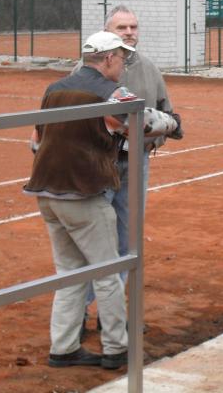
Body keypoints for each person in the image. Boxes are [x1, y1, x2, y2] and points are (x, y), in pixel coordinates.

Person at [24, 32, 135, 369]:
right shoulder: (113, 92)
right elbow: (142, 123)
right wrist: (171, 123)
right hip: (83, 193)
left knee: (70, 272)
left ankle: (64, 346)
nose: (123, 65)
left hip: (47, 191)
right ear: (109, 59)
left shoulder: (54, 89)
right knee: (107, 272)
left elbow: (36, 140)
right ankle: (116, 348)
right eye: (121, 58)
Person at [81, 6, 182, 333]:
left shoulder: (149, 68)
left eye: (133, 27)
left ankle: (111, 315)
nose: (129, 32)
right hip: (99, 163)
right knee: (93, 242)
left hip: (136, 163)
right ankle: (78, 313)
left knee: (127, 239)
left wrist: (157, 135)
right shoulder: (87, 69)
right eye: (121, 27)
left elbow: (167, 112)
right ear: (107, 32)